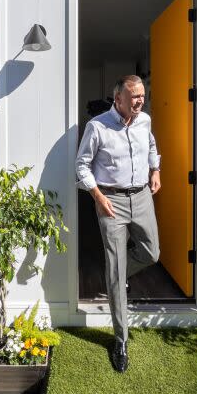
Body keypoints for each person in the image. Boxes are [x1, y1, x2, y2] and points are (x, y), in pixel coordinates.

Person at [75, 74, 161, 373]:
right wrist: (97, 196)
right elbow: (81, 165)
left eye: (142, 95)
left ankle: (117, 279)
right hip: (110, 201)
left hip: (141, 198)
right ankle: (121, 340)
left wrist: (155, 169)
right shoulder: (97, 126)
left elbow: (151, 145)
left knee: (152, 253)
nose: (140, 100)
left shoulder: (144, 121)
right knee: (115, 269)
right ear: (118, 99)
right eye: (134, 96)